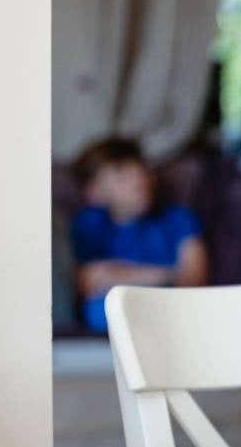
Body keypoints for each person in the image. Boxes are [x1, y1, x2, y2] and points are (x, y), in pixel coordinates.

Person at [69, 136, 208, 332]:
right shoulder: (88, 222)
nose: (138, 179)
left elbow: (194, 281)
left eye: (141, 169)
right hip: (118, 318)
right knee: (99, 310)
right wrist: (169, 275)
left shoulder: (178, 218)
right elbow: (86, 281)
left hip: (173, 313)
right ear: (94, 193)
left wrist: (117, 274)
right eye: (121, 175)